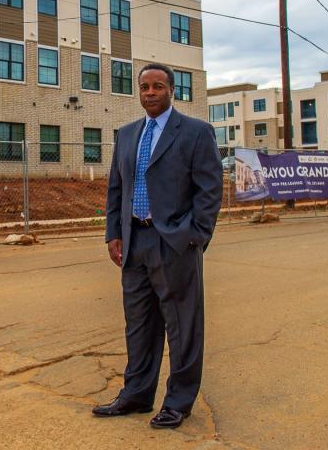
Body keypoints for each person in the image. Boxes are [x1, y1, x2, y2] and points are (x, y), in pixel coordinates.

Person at [93, 63, 223, 429]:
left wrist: (195, 235)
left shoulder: (196, 132)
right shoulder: (128, 134)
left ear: (171, 91)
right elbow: (115, 188)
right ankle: (136, 394)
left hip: (175, 242)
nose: (150, 92)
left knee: (182, 326)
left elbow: (210, 190)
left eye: (158, 86)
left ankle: (178, 402)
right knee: (139, 324)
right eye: (144, 87)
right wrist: (113, 233)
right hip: (134, 241)